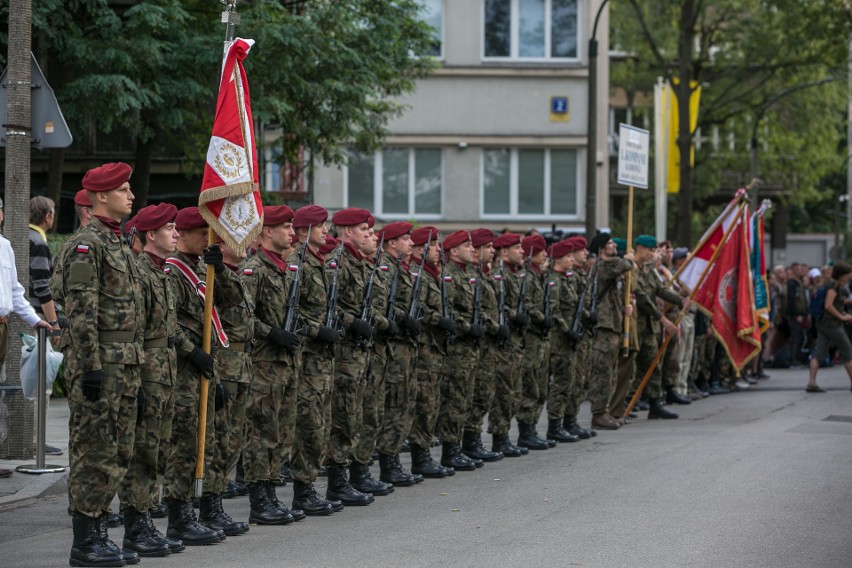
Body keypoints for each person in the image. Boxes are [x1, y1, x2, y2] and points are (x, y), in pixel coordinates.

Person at [52, 162, 145, 567]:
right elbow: (81, 308)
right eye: (124, 190)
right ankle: (85, 540)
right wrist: (89, 366)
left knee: (119, 451)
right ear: (102, 197)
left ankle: (100, 532)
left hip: (124, 364)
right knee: (94, 451)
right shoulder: (87, 244)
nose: (131, 196)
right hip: (101, 363)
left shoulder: (118, 242)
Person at [117, 202, 184, 557]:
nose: (176, 234)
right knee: (142, 451)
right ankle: (135, 525)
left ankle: (145, 518)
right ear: (151, 235)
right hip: (148, 372)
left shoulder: (162, 272)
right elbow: (136, 332)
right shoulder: (140, 274)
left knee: (157, 451)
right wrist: (138, 382)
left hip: (166, 371)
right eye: (169, 229)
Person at [240, 205, 303, 525]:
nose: (292, 232)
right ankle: (258, 499)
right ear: (267, 232)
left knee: (282, 432)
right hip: (264, 362)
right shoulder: (254, 269)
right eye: (286, 227)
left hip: (287, 363)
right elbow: (241, 319)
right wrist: (271, 333)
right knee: (261, 432)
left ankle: (271, 491)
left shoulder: (286, 269)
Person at [287, 205, 343, 516]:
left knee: (320, 424)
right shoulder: (298, 264)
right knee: (308, 425)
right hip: (306, 358)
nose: (326, 231)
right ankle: (302, 490)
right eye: (320, 226)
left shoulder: (320, 264)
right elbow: (293, 313)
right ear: (306, 230)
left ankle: (310, 487)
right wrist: (317, 330)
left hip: (322, 360)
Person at [323, 208, 376, 506]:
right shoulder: (338, 262)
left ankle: (351, 475)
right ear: (346, 233)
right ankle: (337, 482)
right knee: (342, 417)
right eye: (362, 229)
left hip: (358, 352)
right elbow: (329, 305)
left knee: (353, 415)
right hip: (344, 352)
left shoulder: (358, 263)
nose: (368, 233)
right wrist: (351, 322)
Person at [0, 198, 53, 480]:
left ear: (1, 214)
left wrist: (35, 319)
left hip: (3, 325)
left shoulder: (5, 245)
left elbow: (15, 290)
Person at [28, 196, 63, 456]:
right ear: (48, 216)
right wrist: (54, 323)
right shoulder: (38, 243)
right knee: (42, 381)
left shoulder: (22, 238)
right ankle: (37, 439)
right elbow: (42, 286)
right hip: (37, 318)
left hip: (26, 315)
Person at [805, 261, 852, 392]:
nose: (849, 276)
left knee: (819, 354)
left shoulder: (829, 285)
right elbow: (828, 306)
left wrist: (843, 313)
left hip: (823, 324)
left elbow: (832, 306)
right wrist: (842, 317)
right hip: (832, 325)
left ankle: (811, 383)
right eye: (847, 274)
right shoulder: (834, 287)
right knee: (848, 352)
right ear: (841, 275)